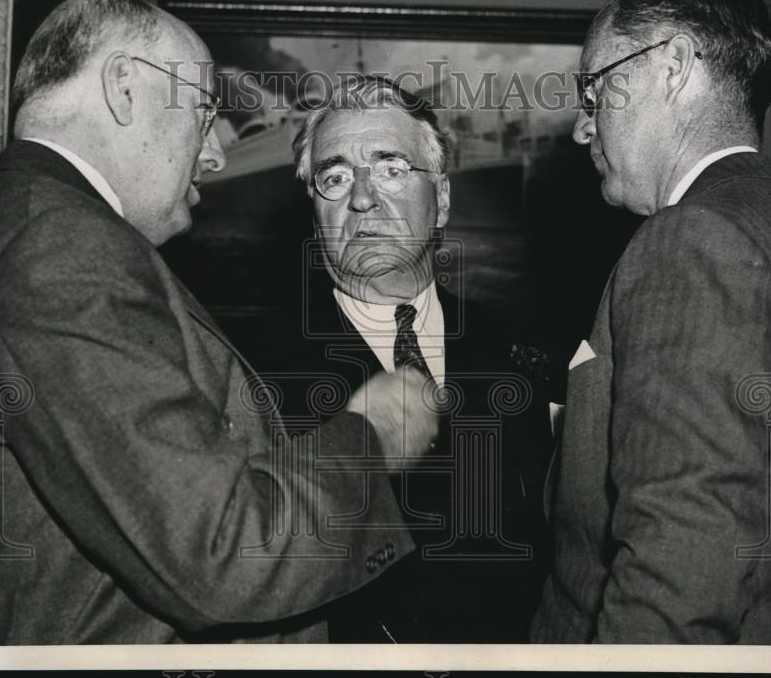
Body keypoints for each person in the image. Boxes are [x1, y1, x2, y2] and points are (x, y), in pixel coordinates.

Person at [0, 0, 439, 645]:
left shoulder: (0, 220)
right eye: (203, 108)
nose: (216, 153)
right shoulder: (61, 246)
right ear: (124, 88)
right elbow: (219, 551)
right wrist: (372, 438)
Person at [530, 0, 771, 644]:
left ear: (673, 65)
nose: (584, 127)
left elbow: (681, 557)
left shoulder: (690, 239)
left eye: (595, 88)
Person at [228, 76, 553, 643]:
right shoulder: (250, 369)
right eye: (333, 178)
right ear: (314, 211)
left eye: (391, 169)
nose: (361, 197)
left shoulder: (530, 353)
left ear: (443, 197)